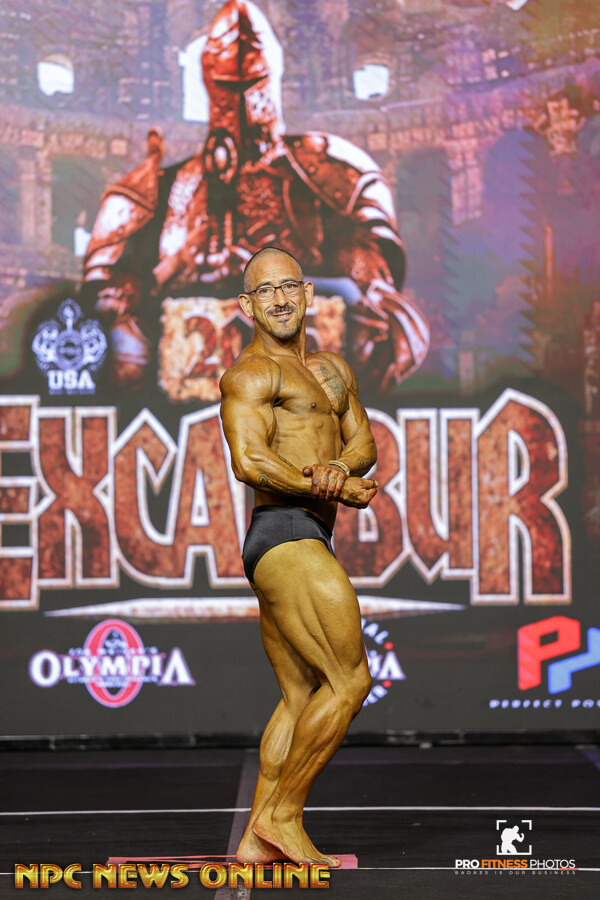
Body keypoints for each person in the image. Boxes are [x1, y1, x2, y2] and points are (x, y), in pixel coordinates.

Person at [82, 0, 428, 392]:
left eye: (251, 85)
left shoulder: (330, 170)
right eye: (230, 87)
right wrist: (160, 275)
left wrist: (360, 288)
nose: (243, 103)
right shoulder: (166, 186)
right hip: (186, 384)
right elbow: (109, 303)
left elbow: (374, 289)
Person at [219, 246, 379, 867]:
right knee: (350, 680)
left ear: (309, 293)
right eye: (265, 290)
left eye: (289, 286)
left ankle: (255, 841)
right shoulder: (251, 375)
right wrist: (324, 486)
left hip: (304, 532)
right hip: (283, 533)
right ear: (247, 305)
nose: (280, 299)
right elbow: (250, 461)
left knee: (301, 693)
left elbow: (362, 443)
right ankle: (282, 817)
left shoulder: (332, 370)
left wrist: (338, 469)